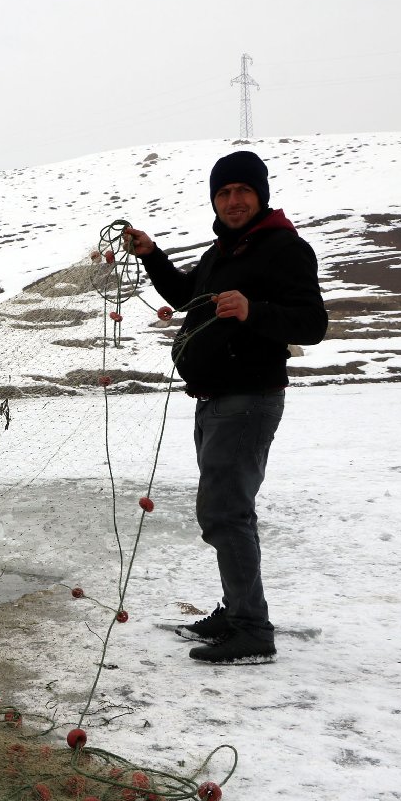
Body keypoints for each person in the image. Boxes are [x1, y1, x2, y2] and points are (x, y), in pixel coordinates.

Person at [125, 150, 328, 665]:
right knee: (225, 511)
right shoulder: (224, 251)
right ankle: (237, 611)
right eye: (224, 192)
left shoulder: (284, 248)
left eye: (243, 191)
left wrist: (253, 310)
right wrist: (152, 254)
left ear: (261, 195)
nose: (233, 200)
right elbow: (185, 295)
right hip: (215, 400)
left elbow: (312, 324)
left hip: (249, 400)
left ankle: (251, 629)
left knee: (225, 512)